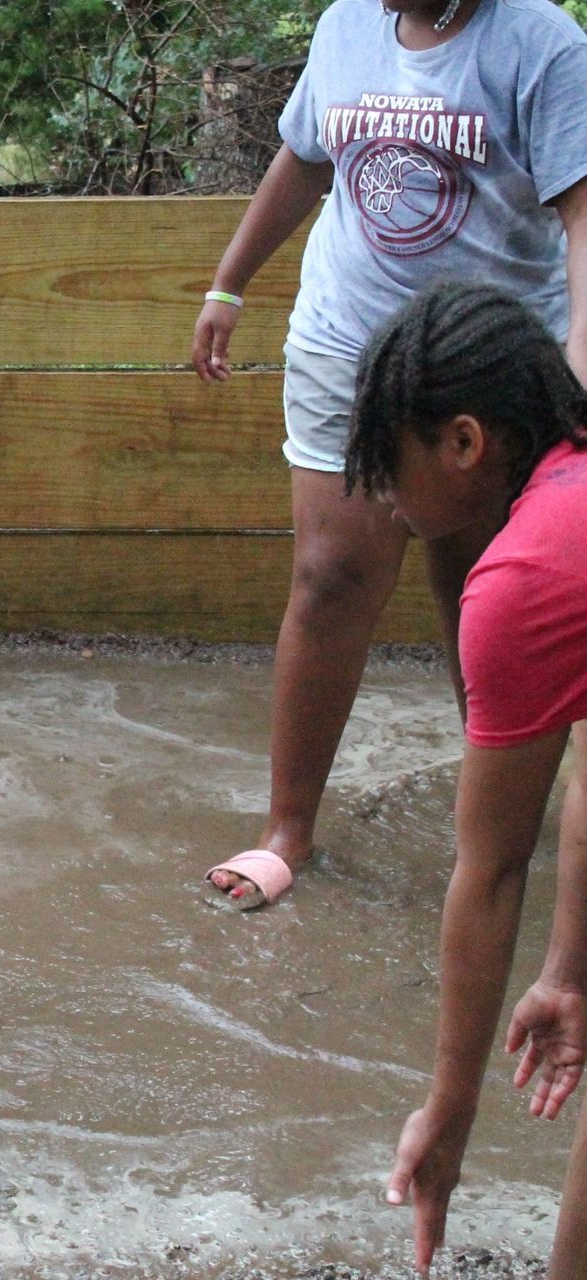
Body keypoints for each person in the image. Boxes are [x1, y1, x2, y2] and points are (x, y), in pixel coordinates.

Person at [192, 0, 587, 910]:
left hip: (486, 365)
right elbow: (305, 154)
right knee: (331, 574)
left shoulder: (539, 45)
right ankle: (287, 828)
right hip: (348, 341)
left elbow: (581, 218)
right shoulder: (345, 28)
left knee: (483, 590)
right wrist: (229, 283)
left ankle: (497, 829)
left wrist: (576, 378)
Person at [364, 283, 587, 1274]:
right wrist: (569, 970)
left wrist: (448, 1115)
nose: (383, 496)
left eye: (389, 464)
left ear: (463, 442)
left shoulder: (524, 576)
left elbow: (491, 871)